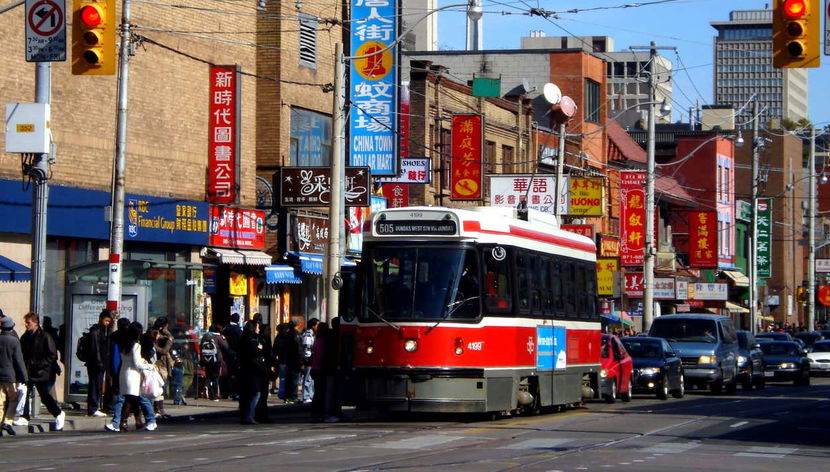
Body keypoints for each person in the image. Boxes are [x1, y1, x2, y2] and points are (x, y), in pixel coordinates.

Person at [20, 312, 65, 431]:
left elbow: (52, 354)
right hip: (28, 370)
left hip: (41, 372)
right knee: (25, 393)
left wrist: (40, 364)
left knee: (44, 395)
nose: (26, 325)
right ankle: (25, 416)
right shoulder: (26, 336)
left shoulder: (45, 336)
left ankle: (58, 413)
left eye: (28, 322)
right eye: (26, 322)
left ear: (35, 323)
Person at [117, 322, 157, 432]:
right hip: (133, 375)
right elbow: (137, 363)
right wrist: (149, 366)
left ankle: (138, 421)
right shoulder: (136, 345)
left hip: (124, 372)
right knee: (130, 399)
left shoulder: (124, 344)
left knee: (133, 398)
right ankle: (123, 422)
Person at [0, 316, 27, 436]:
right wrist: (24, 377)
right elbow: (19, 361)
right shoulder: (14, 341)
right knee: (13, 400)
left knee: (0, 402)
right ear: (12, 327)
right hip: (11, 377)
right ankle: (7, 421)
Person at [83, 309, 113, 417]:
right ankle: (93, 407)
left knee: (99, 385)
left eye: (109, 321)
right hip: (96, 363)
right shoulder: (96, 332)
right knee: (95, 385)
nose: (107, 323)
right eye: (106, 320)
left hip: (102, 362)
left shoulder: (106, 331)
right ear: (101, 319)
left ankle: (96, 406)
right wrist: (99, 362)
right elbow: (95, 349)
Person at [238, 320, 268, 425]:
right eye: (257, 327)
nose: (259, 330)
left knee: (247, 395)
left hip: (245, 371)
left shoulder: (244, 339)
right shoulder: (251, 341)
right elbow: (254, 355)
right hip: (252, 372)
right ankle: (249, 416)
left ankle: (246, 416)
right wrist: (260, 348)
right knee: (255, 393)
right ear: (253, 328)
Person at [200, 325, 229, 401]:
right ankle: (214, 396)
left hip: (206, 359)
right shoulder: (218, 337)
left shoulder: (204, 336)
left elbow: (201, 347)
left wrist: (202, 360)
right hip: (216, 359)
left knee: (208, 375)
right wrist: (224, 339)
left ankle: (207, 386)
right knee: (215, 377)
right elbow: (226, 347)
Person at [274, 321, 301, 403]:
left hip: (283, 361)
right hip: (290, 361)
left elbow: (275, 349)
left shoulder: (279, 337)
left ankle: (285, 395)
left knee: (284, 379)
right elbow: (297, 349)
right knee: (293, 379)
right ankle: (292, 396)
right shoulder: (292, 336)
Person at [152, 317, 174, 419]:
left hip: (161, 363)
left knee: (160, 387)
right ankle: (157, 409)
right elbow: (164, 350)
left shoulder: (163, 334)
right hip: (157, 363)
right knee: (157, 386)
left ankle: (160, 409)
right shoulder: (153, 335)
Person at [221, 313, 243, 400]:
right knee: (236, 374)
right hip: (236, 354)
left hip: (226, 353)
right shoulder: (238, 330)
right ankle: (235, 392)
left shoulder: (225, 329)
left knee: (227, 373)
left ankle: (225, 392)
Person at [300, 318, 319, 404]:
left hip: (311, 359)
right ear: (313, 325)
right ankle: (306, 396)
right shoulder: (308, 334)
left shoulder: (313, 334)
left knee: (311, 378)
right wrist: (309, 359)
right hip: (309, 360)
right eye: (317, 325)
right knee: (308, 378)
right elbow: (307, 348)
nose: (318, 327)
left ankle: (310, 395)